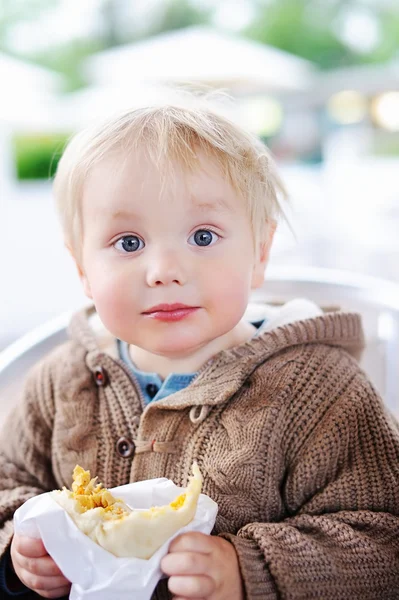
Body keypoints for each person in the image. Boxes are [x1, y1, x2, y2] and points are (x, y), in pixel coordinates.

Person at [0, 92, 398, 600]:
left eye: (203, 237)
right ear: (82, 269)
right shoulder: (60, 383)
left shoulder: (321, 393)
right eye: (128, 243)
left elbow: (386, 538)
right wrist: (19, 550)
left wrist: (249, 569)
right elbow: (7, 488)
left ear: (259, 252)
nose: (165, 271)